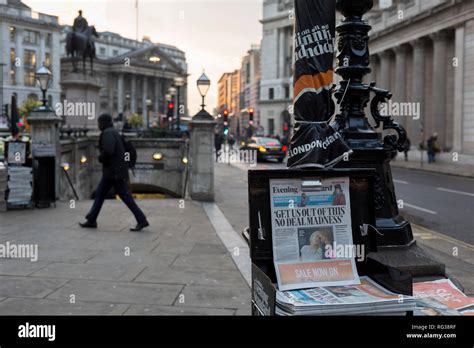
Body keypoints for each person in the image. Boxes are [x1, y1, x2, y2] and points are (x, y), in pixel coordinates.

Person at [79, 114, 149, 232]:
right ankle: (91, 219)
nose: (98, 125)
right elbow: (128, 147)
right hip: (115, 171)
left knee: (123, 196)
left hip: (113, 172)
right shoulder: (114, 132)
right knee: (101, 194)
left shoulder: (107, 133)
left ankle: (141, 219)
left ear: (104, 123)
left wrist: (100, 158)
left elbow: (108, 150)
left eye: (99, 123)